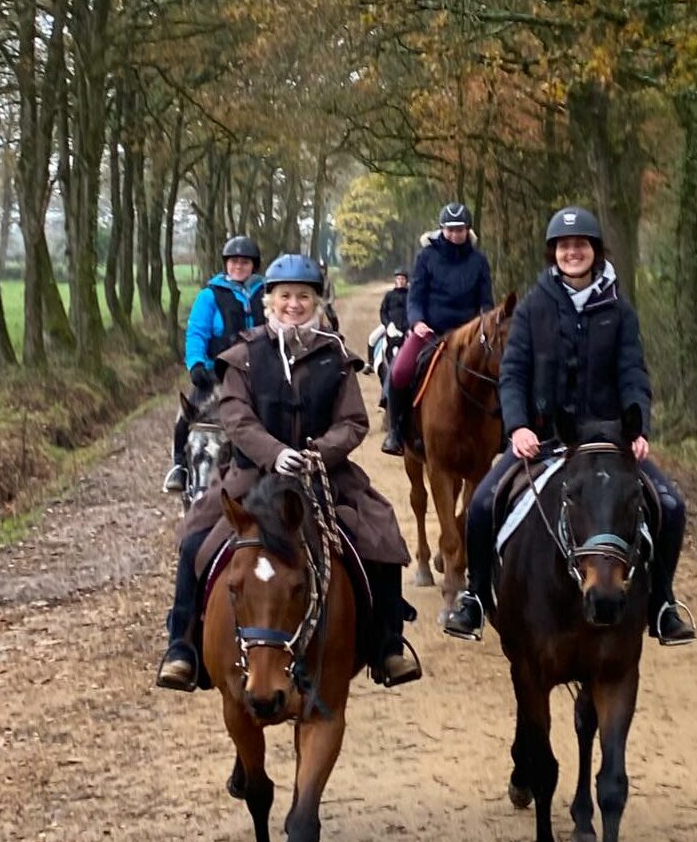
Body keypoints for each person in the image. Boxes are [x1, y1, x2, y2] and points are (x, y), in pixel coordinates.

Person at [154, 254, 421, 692]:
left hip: (323, 478)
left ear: (316, 301)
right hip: (251, 477)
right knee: (195, 541)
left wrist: (319, 452)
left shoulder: (335, 356)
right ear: (268, 302)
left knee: (380, 533)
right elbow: (236, 419)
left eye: (303, 296)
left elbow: (354, 422)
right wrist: (274, 454)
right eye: (284, 296)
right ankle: (182, 647)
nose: (293, 304)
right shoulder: (240, 356)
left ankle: (388, 645)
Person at [441, 206, 696, 646]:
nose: (572, 252)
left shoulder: (619, 310)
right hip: (543, 440)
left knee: (670, 507)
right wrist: (518, 426)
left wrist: (639, 430)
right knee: (482, 504)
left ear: (595, 252)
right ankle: (477, 598)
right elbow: (514, 373)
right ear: (553, 253)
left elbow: (634, 374)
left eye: (581, 246)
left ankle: (663, 604)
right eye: (564, 246)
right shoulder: (534, 308)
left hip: (608, 442)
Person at [381, 203, 494, 456]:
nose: (455, 235)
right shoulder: (426, 257)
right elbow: (415, 296)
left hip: (469, 334)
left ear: (468, 230)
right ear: (441, 229)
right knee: (400, 371)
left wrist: (485, 324)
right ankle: (397, 431)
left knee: (497, 368)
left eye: (460, 229)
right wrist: (417, 321)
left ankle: (503, 430)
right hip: (430, 331)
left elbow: (486, 301)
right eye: (450, 230)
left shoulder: (479, 261)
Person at [163, 235, 265, 494]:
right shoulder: (209, 296)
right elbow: (196, 332)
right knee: (186, 418)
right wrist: (196, 364)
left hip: (259, 375)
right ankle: (180, 467)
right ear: (225, 264)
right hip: (216, 375)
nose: (238, 266)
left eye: (244, 262)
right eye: (233, 262)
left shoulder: (266, 293)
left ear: (254, 265)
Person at [373, 269, 411, 408]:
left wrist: (409, 328)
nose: (400, 281)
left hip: (407, 330)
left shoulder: (410, 295)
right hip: (390, 327)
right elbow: (383, 311)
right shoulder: (389, 295)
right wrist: (388, 325)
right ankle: (371, 363)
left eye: (403, 279)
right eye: (398, 278)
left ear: (407, 281)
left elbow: (413, 312)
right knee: (372, 338)